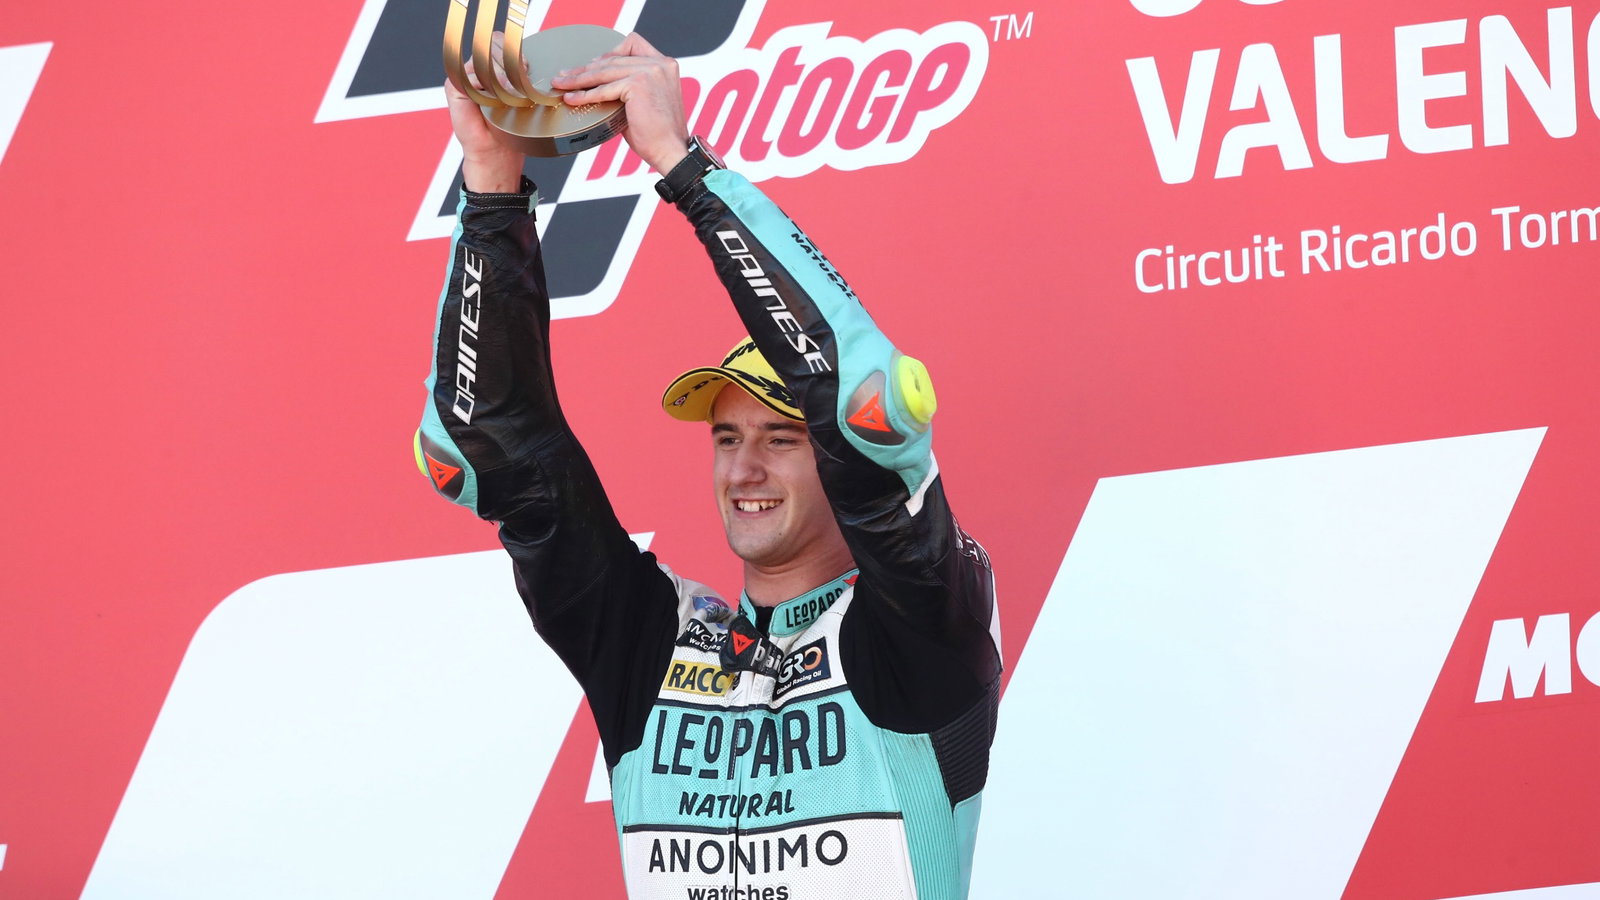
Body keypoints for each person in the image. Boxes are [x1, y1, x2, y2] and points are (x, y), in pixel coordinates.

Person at [416, 34, 1000, 899]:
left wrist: (685, 169)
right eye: (728, 438)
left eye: (782, 438)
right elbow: (486, 448)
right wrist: (493, 189)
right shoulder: (650, 646)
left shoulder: (920, 629)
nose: (745, 469)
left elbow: (862, 404)